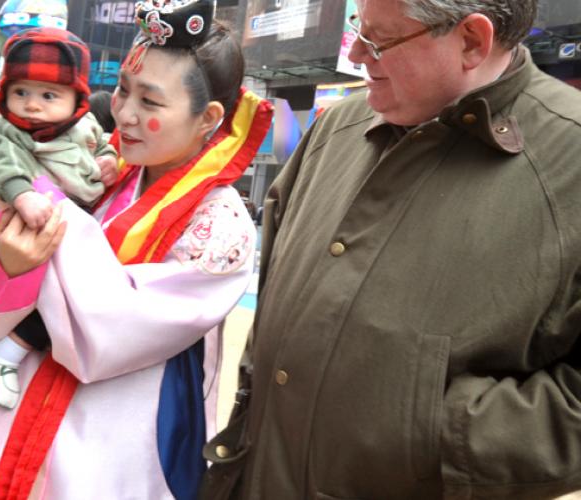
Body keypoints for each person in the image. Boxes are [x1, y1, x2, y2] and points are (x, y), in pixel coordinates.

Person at [200, 0, 581, 498]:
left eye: (379, 39)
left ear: (471, 40)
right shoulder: (334, 131)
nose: (356, 52)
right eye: (358, 27)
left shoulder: (570, 160)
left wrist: (427, 434)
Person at [0, 1, 272, 497]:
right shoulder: (102, 165)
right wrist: (9, 258)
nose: (123, 112)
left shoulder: (222, 224)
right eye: (123, 90)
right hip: (32, 403)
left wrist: (42, 247)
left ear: (208, 117)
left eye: (150, 102)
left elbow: (112, 326)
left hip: (124, 430)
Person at [0, 26, 118, 409]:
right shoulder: (7, 130)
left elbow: (104, 145)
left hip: (77, 216)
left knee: (68, 298)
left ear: (77, 98)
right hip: (37, 217)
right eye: (20, 92)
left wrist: (108, 160)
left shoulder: (85, 124)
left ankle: (8, 347)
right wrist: (22, 194)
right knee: (56, 296)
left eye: (48, 95)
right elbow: (1, 165)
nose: (32, 105)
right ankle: (5, 353)